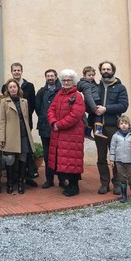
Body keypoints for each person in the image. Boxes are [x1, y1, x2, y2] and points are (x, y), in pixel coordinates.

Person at [47, 69, 86, 197]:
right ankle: (68, 184)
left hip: (72, 134)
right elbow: (51, 109)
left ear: (73, 81)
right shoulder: (59, 94)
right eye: (64, 80)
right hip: (59, 134)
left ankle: (74, 186)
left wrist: (59, 124)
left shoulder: (77, 96)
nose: (66, 82)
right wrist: (53, 122)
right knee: (64, 160)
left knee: (72, 160)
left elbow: (75, 115)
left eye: (68, 80)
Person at [94, 60, 129, 195]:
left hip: (114, 126)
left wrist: (106, 109)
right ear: (100, 71)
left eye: (108, 69)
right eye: (103, 69)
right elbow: (89, 104)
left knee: (117, 156)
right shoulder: (96, 87)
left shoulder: (120, 88)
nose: (106, 71)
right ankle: (104, 184)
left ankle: (118, 183)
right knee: (101, 157)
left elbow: (123, 105)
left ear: (113, 71)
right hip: (99, 127)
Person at [0, 79, 36, 195]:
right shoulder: (4, 102)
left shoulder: (24, 101)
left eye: (15, 87)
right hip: (10, 135)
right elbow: (2, 121)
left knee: (23, 158)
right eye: (10, 87)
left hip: (24, 133)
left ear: (18, 88)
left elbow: (26, 118)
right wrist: (2, 137)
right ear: (7, 89)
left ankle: (21, 183)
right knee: (10, 159)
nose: (13, 89)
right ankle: (10, 183)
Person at [35, 68, 66, 189]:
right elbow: (38, 108)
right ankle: (49, 179)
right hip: (45, 127)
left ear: (56, 77)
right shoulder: (42, 92)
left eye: (52, 76)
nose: (50, 78)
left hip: (59, 127)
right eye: (48, 76)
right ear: (45, 78)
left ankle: (62, 180)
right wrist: (44, 118)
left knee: (60, 155)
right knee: (48, 155)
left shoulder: (62, 91)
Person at [109, 115, 131, 203]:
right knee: (122, 179)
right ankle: (124, 196)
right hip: (119, 162)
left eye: (125, 123)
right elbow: (112, 148)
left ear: (129, 125)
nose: (124, 125)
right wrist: (112, 160)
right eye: (121, 123)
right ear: (118, 125)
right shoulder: (115, 136)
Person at [2, 62, 36, 129]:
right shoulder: (5, 87)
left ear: (21, 71)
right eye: (14, 70)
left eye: (18, 70)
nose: (16, 72)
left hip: (26, 120)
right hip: (11, 122)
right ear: (11, 72)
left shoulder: (30, 86)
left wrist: (26, 114)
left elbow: (32, 104)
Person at [77, 66, 104, 139]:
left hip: (94, 101)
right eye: (89, 75)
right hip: (94, 102)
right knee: (99, 115)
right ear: (84, 76)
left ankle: (87, 132)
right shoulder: (86, 85)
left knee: (91, 118)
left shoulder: (91, 83)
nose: (91, 77)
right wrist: (94, 107)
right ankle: (98, 130)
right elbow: (88, 96)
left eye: (93, 75)